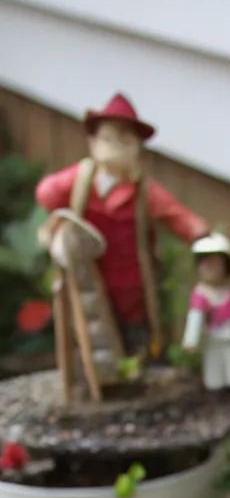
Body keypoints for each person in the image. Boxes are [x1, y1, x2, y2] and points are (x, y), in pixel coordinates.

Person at [36, 93, 208, 356]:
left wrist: (200, 234)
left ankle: (135, 371)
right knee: (91, 338)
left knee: (135, 338)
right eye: (107, 138)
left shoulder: (143, 192)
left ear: (136, 147)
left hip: (132, 286)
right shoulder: (81, 180)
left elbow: (177, 215)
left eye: (124, 139)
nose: (114, 145)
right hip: (89, 279)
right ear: (93, 142)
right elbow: (47, 194)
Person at [181, 234, 230, 390]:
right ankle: (214, 389)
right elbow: (195, 318)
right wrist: (191, 340)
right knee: (213, 370)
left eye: (216, 264)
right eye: (206, 264)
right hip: (212, 340)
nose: (210, 268)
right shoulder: (201, 294)